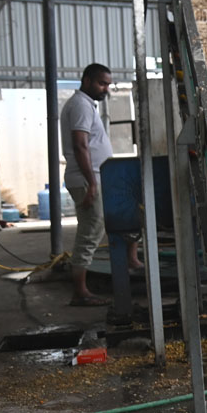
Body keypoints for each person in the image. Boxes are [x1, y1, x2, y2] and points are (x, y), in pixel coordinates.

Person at [61, 63, 115, 306]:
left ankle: (132, 261)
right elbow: (80, 145)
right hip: (86, 178)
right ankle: (80, 293)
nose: (105, 89)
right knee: (90, 232)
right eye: (101, 83)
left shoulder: (84, 104)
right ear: (86, 81)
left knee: (96, 227)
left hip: (93, 176)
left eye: (108, 85)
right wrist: (92, 183)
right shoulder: (82, 104)